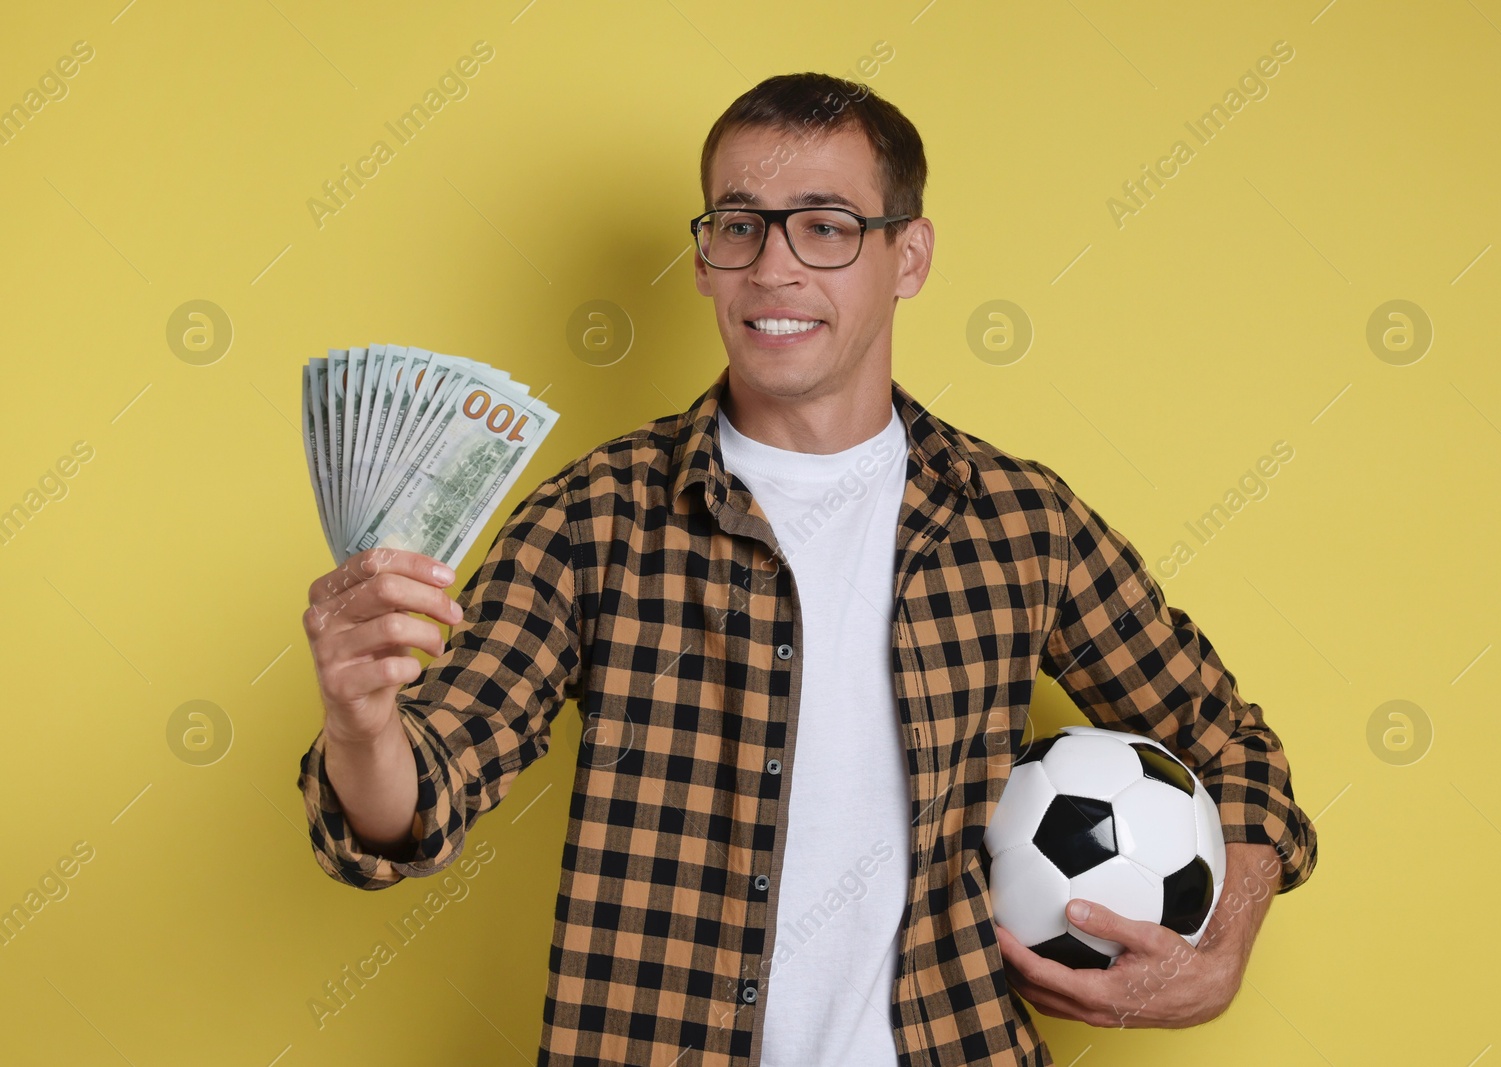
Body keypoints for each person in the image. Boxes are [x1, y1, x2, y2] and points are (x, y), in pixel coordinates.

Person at [297, 72, 1318, 1066]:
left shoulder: (1021, 522)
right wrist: (360, 722)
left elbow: (1233, 746)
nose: (773, 267)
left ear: (908, 256)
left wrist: (1223, 942)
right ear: (703, 259)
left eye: (825, 225)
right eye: (738, 224)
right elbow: (418, 803)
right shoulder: (594, 516)